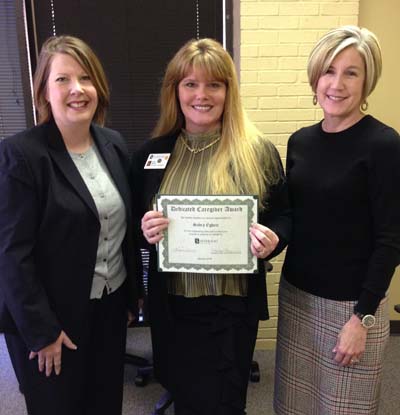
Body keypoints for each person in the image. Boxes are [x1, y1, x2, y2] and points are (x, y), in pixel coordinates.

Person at [130, 38, 291, 415]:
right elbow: (134, 228)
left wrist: (273, 239)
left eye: (214, 84)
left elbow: (284, 216)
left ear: (228, 91)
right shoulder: (151, 155)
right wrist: (146, 230)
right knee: (185, 398)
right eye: (190, 84)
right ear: (176, 90)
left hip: (231, 309)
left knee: (227, 401)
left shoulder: (257, 151)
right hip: (175, 308)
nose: (202, 94)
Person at [0, 35, 141, 415]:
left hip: (109, 309)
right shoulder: (22, 155)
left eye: (86, 78)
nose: (77, 89)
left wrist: (130, 299)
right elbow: (13, 255)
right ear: (44, 91)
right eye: (62, 79)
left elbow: (120, 229)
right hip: (53, 317)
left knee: (105, 402)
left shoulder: (112, 144)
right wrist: (42, 331)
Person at [274, 26, 400, 415]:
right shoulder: (300, 141)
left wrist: (361, 317)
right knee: (292, 406)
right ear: (316, 78)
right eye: (329, 71)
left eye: (351, 72)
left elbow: (391, 239)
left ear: (367, 81)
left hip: (353, 306)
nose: (337, 83)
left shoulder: (383, 145)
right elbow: (292, 217)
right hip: (297, 297)